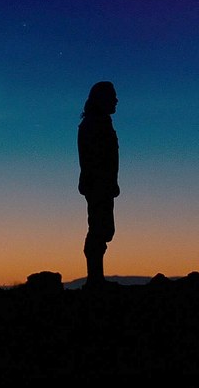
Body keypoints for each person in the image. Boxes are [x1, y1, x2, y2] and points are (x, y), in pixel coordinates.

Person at [77, 81, 120, 290]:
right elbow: (95, 158)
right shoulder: (94, 124)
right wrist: (103, 183)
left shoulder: (100, 123)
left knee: (102, 229)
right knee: (99, 229)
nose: (116, 100)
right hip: (98, 185)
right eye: (112, 97)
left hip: (101, 184)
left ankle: (96, 278)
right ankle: (95, 280)